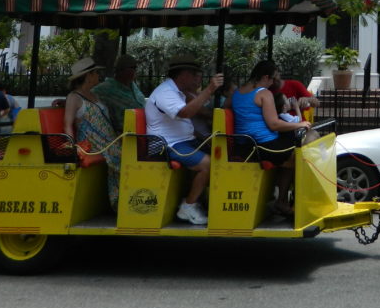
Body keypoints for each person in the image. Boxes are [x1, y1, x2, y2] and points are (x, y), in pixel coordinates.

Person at [145, 54, 224, 225]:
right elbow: (186, 113)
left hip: (184, 141)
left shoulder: (179, 92)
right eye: (195, 74)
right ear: (183, 75)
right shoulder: (165, 92)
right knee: (208, 164)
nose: (198, 78)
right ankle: (188, 205)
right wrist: (209, 89)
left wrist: (207, 136)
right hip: (165, 145)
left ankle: (200, 199)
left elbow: (193, 117)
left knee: (223, 156)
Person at [231, 60, 311, 218]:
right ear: (266, 77)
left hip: (245, 143)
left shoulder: (238, 92)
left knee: (293, 146)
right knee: (299, 156)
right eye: (273, 79)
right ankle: (283, 200)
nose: (275, 83)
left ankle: (280, 197)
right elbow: (274, 124)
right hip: (262, 144)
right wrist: (300, 124)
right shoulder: (263, 93)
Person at [63, 57, 121, 210]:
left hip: (108, 140)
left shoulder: (94, 95)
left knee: (128, 152)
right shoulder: (74, 97)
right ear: (88, 76)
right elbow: (67, 124)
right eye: (96, 73)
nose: (98, 76)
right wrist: (72, 146)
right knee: (121, 157)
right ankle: (118, 202)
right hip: (93, 142)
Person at [93, 53, 146, 130]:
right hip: (123, 133)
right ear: (122, 69)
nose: (135, 70)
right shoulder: (107, 88)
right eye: (133, 67)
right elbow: (89, 95)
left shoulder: (133, 85)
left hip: (142, 128)